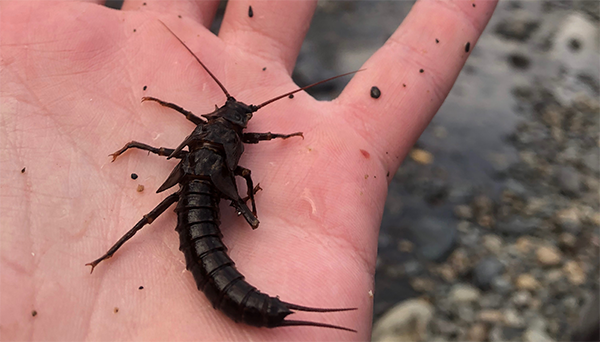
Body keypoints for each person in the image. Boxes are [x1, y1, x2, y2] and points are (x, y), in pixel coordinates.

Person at [0, 0, 498, 341]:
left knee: (161, 216)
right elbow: (238, 174)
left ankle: (109, 254)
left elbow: (189, 133)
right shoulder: (235, 149)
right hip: (207, 211)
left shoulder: (202, 132)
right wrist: (246, 192)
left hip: (195, 207)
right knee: (220, 206)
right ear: (236, 129)